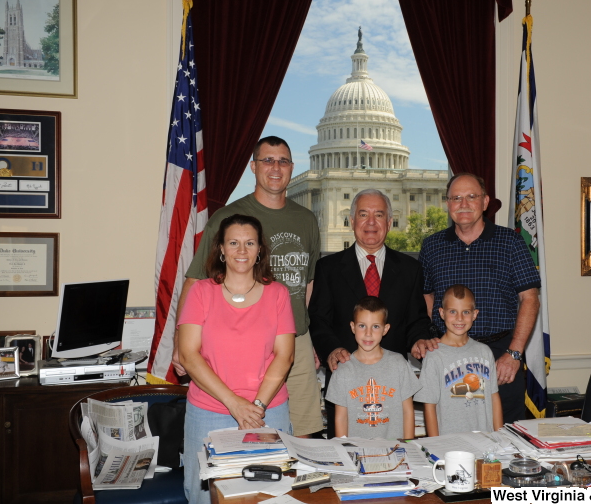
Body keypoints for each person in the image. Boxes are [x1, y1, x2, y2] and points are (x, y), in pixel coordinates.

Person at [173, 136, 322, 438]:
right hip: (241, 341)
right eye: (268, 160)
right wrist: (181, 342)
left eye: (282, 161)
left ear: (292, 168)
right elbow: (195, 280)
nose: (275, 168)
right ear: (253, 167)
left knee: (302, 434)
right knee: (234, 434)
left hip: (294, 343)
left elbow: (308, 283)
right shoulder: (227, 217)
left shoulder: (306, 219)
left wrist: (309, 336)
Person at [178, 214, 295, 504]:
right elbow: (189, 356)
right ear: (221, 249)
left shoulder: (278, 293)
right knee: (203, 494)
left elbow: (285, 355)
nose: (241, 251)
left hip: (267, 411)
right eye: (233, 243)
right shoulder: (201, 293)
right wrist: (234, 404)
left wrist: (255, 408)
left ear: (259, 250)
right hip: (209, 410)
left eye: (249, 243)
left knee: (269, 493)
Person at [308, 189, 438, 435]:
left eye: (378, 215)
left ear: (389, 223)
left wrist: (420, 339)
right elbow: (318, 320)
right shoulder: (328, 268)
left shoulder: (411, 269)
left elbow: (417, 319)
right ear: (352, 221)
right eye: (363, 214)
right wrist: (331, 349)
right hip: (346, 378)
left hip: (392, 382)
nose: (371, 222)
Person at [419, 173, 540, 424]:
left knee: (505, 438)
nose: (463, 204)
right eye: (456, 198)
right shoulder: (432, 246)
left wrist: (514, 354)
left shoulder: (511, 242)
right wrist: (432, 333)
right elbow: (426, 295)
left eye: (471, 197)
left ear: (485, 202)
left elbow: (530, 299)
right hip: (448, 357)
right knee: (450, 432)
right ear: (448, 203)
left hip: (500, 358)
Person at [325, 296, 420, 439]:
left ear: (385, 329)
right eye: (362, 326)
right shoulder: (343, 369)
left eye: (375, 326)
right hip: (357, 452)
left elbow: (407, 411)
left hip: (394, 451)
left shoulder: (398, 364)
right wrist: (345, 449)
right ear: (352, 327)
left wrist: (408, 446)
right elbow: (341, 418)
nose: (368, 333)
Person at [415, 284, 503, 436]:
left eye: (466, 312)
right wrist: (436, 443)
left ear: (475, 314)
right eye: (453, 311)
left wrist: (500, 436)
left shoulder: (484, 352)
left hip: (486, 441)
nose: (459, 318)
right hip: (450, 444)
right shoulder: (434, 356)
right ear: (442, 313)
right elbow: (429, 406)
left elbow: (494, 397)